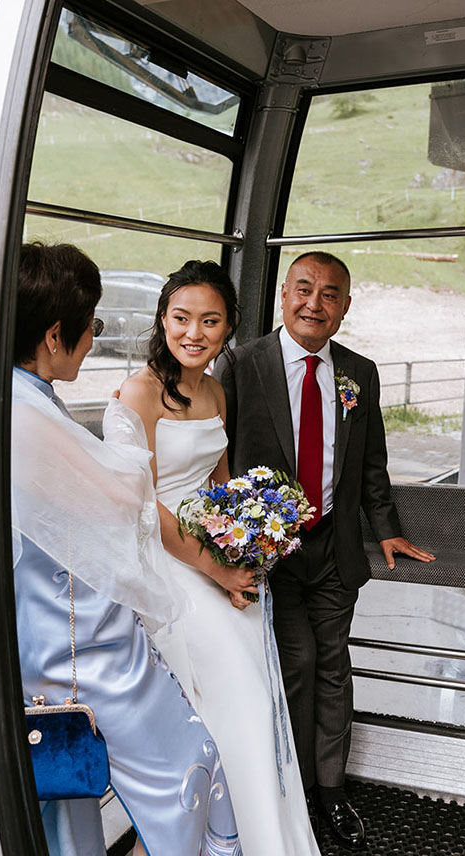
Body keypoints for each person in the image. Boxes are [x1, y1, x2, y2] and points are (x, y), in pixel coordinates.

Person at [11, 242, 240, 856]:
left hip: (65, 629)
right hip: (71, 646)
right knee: (192, 758)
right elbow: (126, 504)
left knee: (73, 813)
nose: (93, 341)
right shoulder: (28, 416)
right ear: (57, 335)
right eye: (92, 327)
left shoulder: (26, 399)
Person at [213, 251, 435, 848]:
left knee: (334, 665)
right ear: (284, 294)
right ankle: (288, 787)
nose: (315, 303)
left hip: (336, 547)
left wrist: (384, 526)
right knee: (297, 662)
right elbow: (220, 457)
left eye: (329, 294)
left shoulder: (359, 373)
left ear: (344, 307)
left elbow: (370, 462)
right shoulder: (242, 364)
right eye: (304, 289)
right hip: (272, 551)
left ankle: (331, 791)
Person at [113, 260, 321, 856]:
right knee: (232, 704)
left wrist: (247, 552)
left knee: (256, 706)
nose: (193, 333)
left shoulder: (215, 391)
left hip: (215, 561)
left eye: (209, 321)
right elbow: (142, 505)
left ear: (228, 328)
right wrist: (214, 567)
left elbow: (220, 486)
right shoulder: (139, 392)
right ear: (162, 318)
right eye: (181, 318)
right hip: (166, 567)